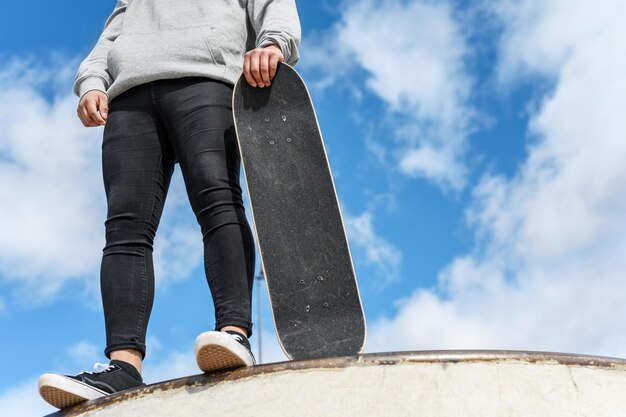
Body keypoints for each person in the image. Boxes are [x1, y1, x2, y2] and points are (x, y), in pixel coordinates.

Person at [38, 0, 301, 409]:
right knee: (124, 230)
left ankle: (233, 334)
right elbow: (113, 32)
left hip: (206, 78)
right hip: (129, 97)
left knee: (217, 199)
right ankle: (123, 366)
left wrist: (274, 44)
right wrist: (92, 80)